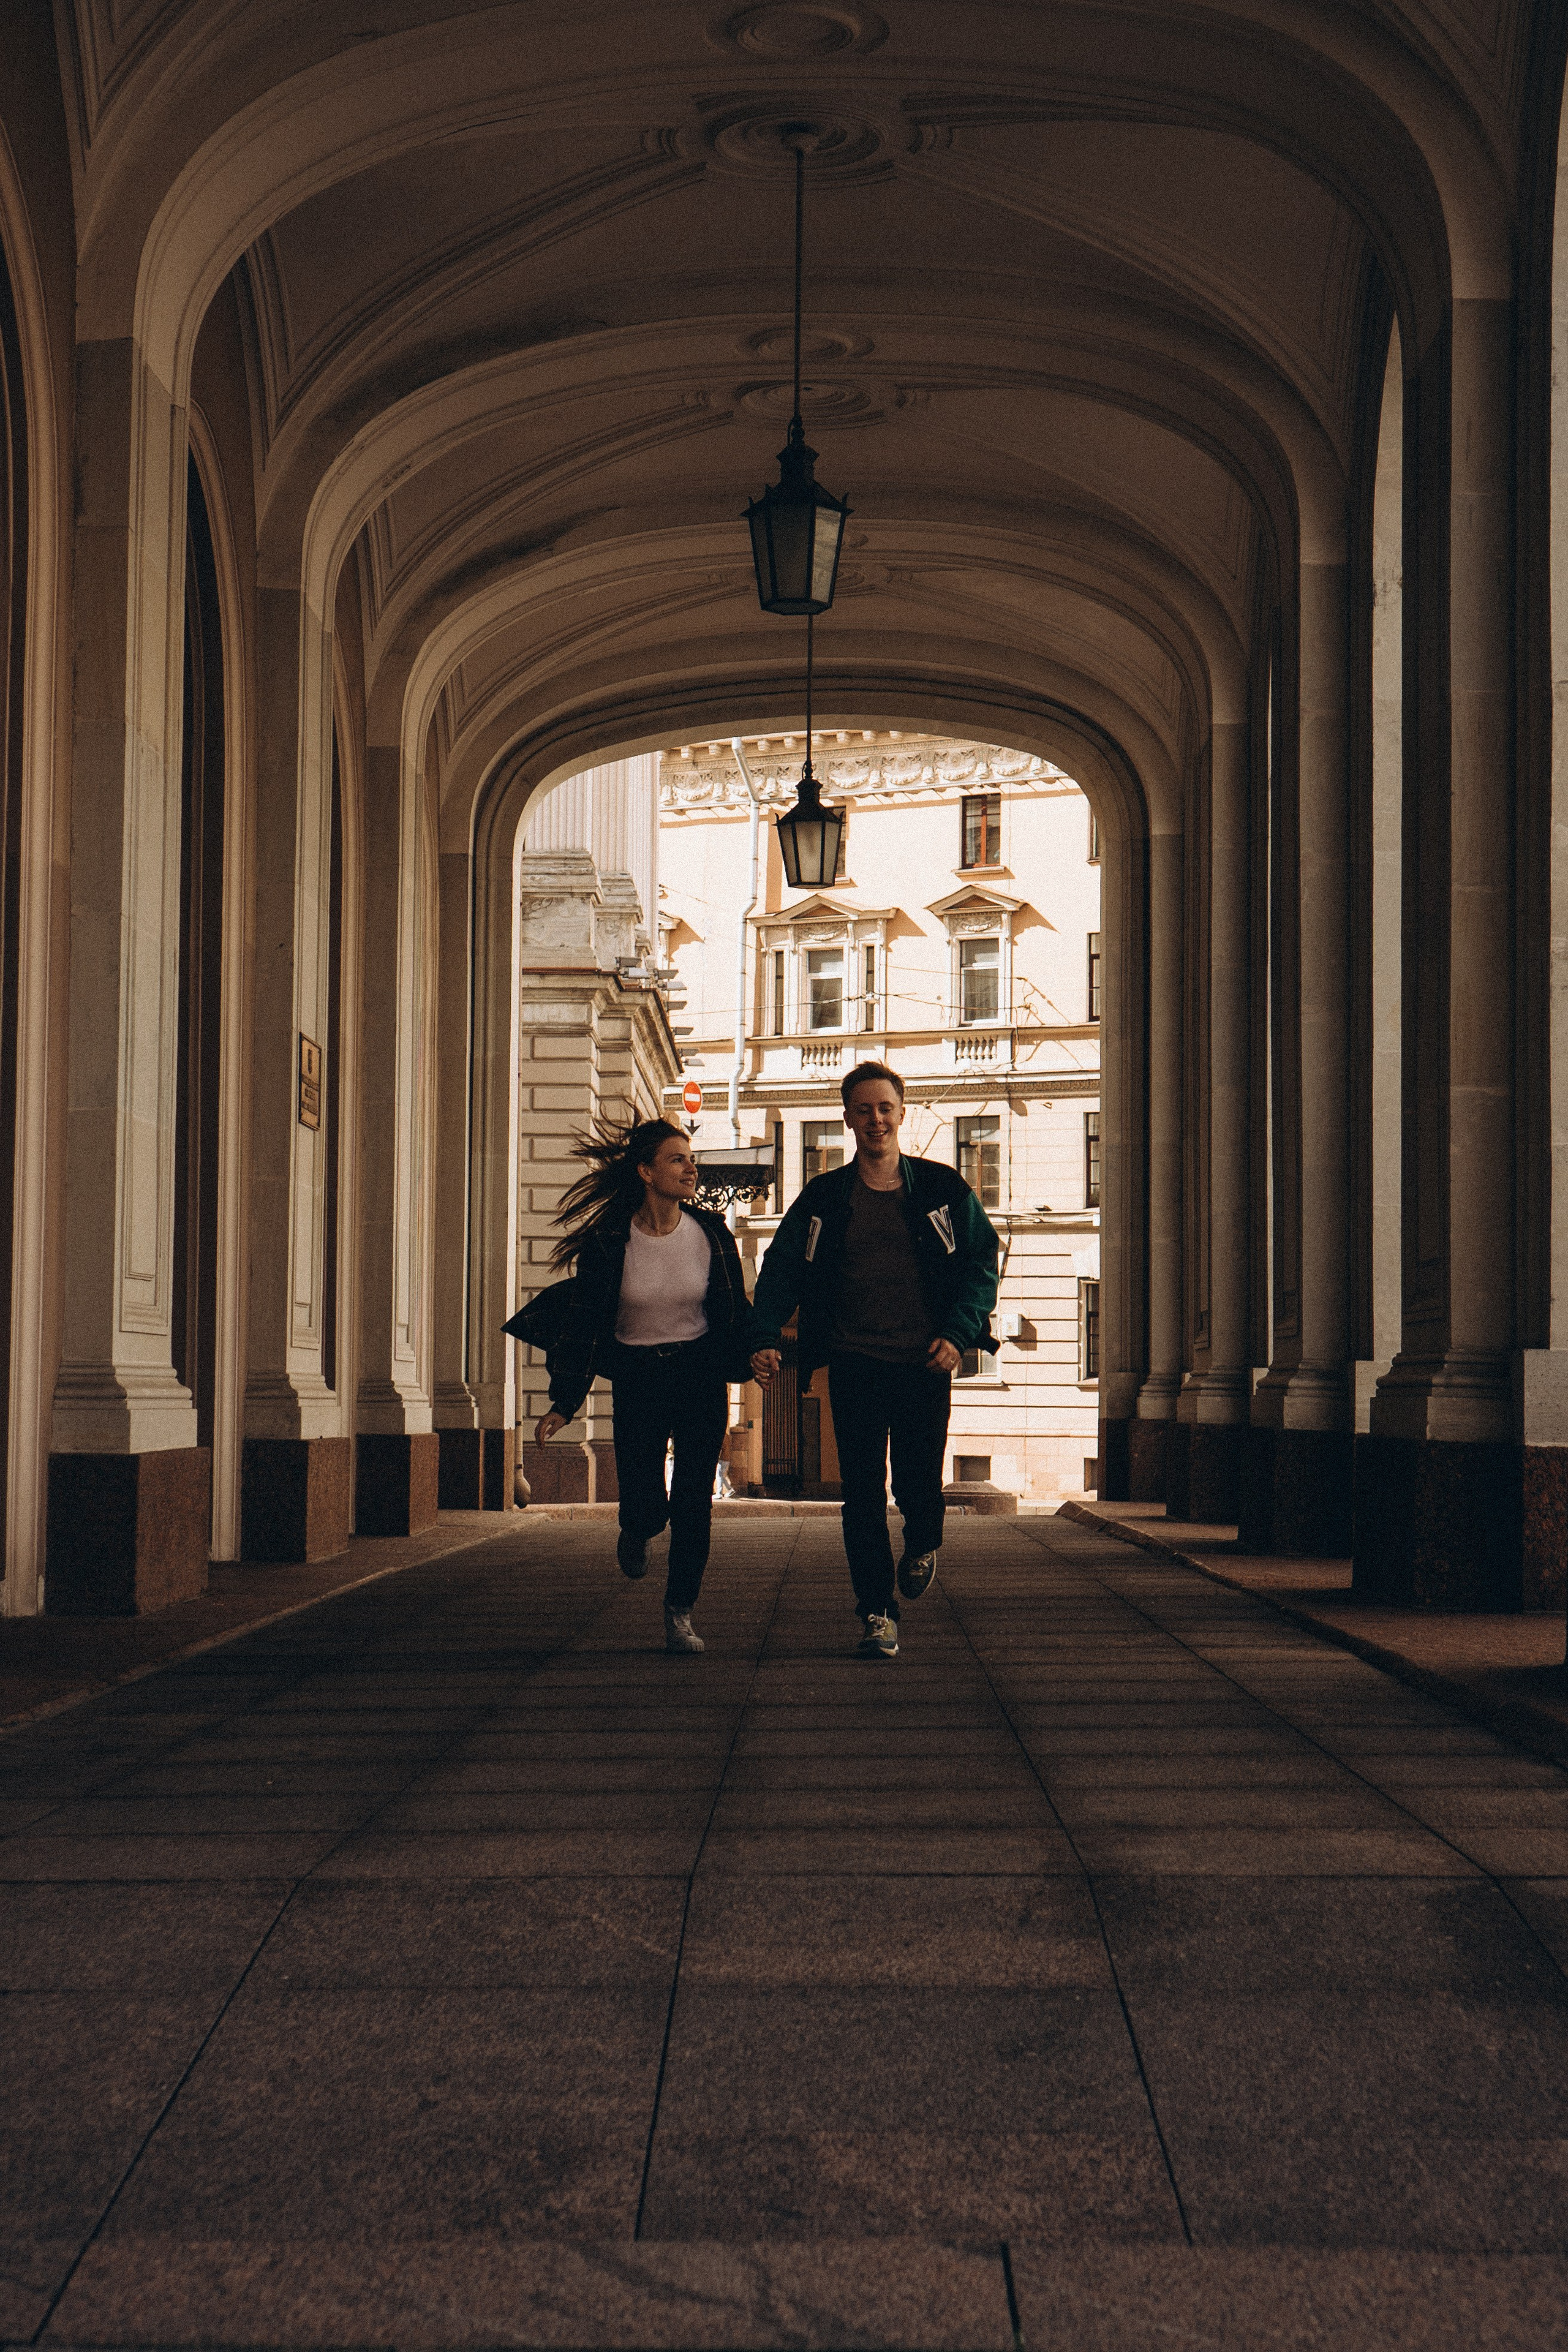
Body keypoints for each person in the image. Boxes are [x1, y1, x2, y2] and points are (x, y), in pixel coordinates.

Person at [748, 1061, 1000, 1658]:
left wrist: (956, 1333)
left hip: (923, 1365)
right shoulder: (824, 1200)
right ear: (847, 1120)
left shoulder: (942, 1191)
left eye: (884, 1108)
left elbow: (980, 1262)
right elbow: (781, 1268)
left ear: (900, 1114)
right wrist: (761, 1335)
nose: (875, 1119)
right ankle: (876, 1613)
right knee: (860, 1493)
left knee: (917, 1487)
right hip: (854, 1364)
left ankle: (922, 1543)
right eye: (862, 1109)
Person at [531, 1117, 750, 1654]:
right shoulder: (609, 1243)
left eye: (691, 1158)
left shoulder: (711, 1234)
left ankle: (680, 1613)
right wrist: (564, 1402)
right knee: (645, 1496)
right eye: (678, 1160)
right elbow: (585, 1325)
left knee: (694, 1499)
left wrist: (757, 1353)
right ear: (647, 1172)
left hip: (698, 1374)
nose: (692, 1168)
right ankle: (637, 1526)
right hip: (638, 1377)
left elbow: (733, 1312)